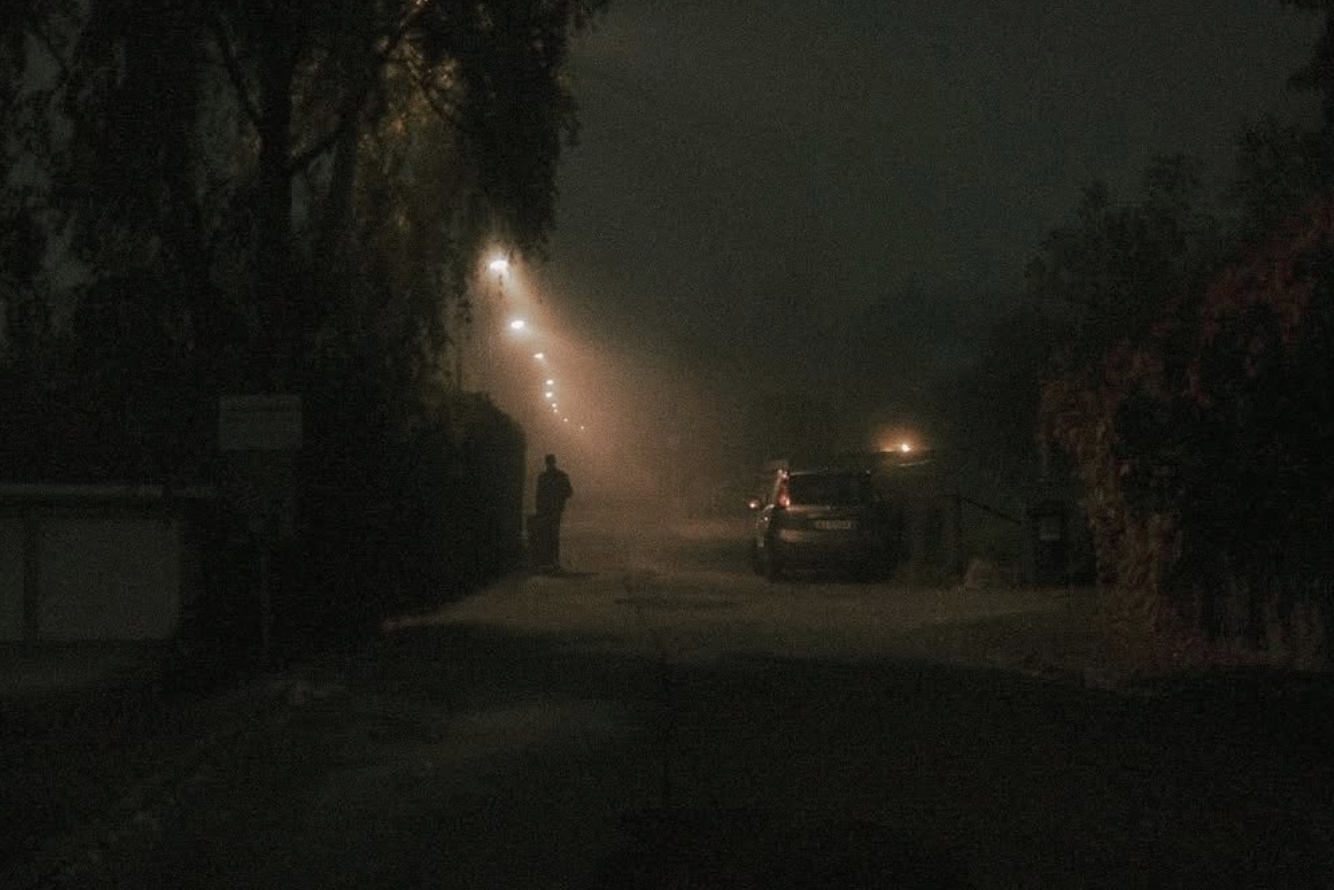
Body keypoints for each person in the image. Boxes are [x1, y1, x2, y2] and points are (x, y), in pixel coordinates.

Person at [533, 453, 573, 571]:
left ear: (546, 463)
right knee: (554, 535)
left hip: (545, 510)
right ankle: (554, 559)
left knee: (546, 534)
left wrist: (538, 509)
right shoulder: (562, 476)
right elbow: (569, 492)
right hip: (556, 510)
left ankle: (548, 560)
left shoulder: (542, 477)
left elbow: (538, 495)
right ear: (554, 462)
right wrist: (560, 498)